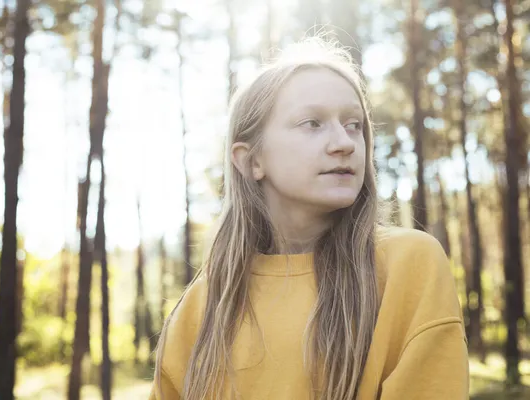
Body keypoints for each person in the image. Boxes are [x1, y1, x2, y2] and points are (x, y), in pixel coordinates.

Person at [149, 37, 469, 400]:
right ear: (252, 160)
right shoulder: (204, 305)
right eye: (312, 123)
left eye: (353, 125)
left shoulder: (408, 264)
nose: (344, 143)